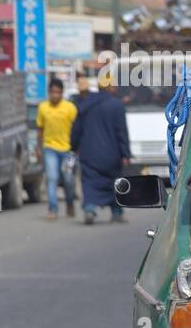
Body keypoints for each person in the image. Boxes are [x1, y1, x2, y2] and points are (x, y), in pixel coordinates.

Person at [71, 60, 132, 224]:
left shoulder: (85, 105)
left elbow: (76, 130)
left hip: (89, 154)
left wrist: (74, 147)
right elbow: (122, 133)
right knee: (114, 182)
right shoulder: (116, 106)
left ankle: (90, 208)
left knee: (90, 182)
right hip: (112, 155)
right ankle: (117, 211)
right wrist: (125, 153)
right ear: (110, 87)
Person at [35, 77, 78, 219]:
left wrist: (77, 147)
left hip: (68, 150)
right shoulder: (43, 107)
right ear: (48, 92)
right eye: (52, 92)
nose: (55, 95)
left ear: (62, 93)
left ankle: (70, 203)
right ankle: (52, 208)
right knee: (52, 178)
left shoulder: (70, 108)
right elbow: (40, 129)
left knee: (68, 179)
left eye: (57, 92)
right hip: (49, 148)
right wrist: (38, 148)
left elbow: (77, 128)